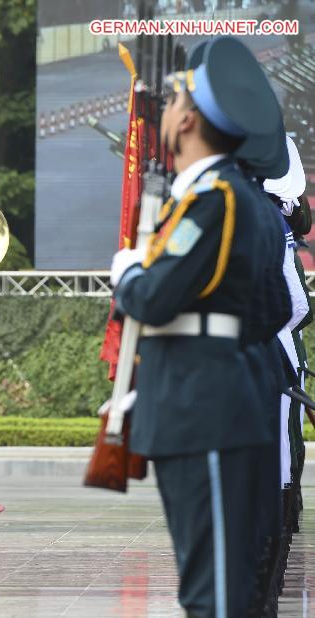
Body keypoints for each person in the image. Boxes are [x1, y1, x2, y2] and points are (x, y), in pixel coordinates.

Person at [109, 36, 291, 616]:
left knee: (212, 592)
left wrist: (130, 273)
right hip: (214, 402)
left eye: (169, 102)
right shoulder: (245, 201)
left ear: (187, 117)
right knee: (221, 585)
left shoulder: (214, 201)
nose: (163, 112)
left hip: (205, 412)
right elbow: (271, 312)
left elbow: (154, 298)